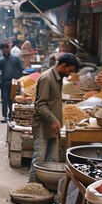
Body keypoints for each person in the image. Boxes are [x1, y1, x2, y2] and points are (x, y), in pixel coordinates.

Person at [28, 53, 80, 183]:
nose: (70, 74)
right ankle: (32, 186)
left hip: (53, 124)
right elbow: (40, 105)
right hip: (42, 124)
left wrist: (56, 121)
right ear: (63, 66)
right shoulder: (47, 78)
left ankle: (44, 187)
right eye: (70, 70)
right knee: (39, 158)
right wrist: (54, 120)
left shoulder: (58, 78)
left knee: (51, 159)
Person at [0, 43, 24, 123]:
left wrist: (18, 79)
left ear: (9, 49)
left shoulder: (15, 59)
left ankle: (11, 115)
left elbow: (20, 70)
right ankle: (4, 116)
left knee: (12, 99)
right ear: (1, 50)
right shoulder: (0, 61)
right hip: (4, 82)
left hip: (14, 82)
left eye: (6, 48)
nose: (4, 50)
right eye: (3, 49)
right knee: (4, 99)